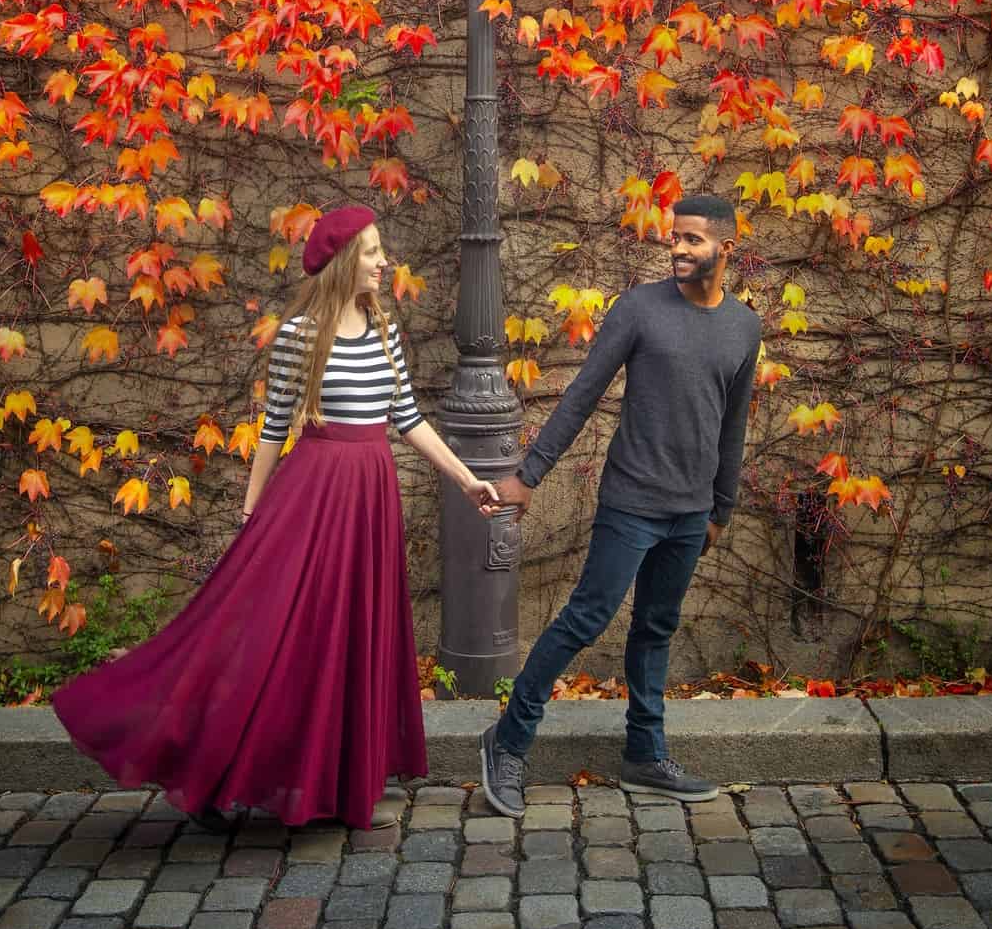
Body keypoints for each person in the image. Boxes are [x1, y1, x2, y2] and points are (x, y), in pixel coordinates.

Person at [54, 205, 497, 832]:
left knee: (347, 637)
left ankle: (343, 780)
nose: (383, 260)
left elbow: (407, 420)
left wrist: (467, 480)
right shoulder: (299, 335)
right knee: (271, 636)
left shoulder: (385, 331)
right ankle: (211, 770)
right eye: (372, 251)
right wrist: (251, 513)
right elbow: (274, 428)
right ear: (345, 260)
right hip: (311, 501)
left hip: (371, 499)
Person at [479, 194, 761, 815]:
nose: (679, 249)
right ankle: (508, 743)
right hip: (631, 500)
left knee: (657, 626)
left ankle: (644, 752)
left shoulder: (745, 326)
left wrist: (722, 508)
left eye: (692, 240)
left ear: (726, 250)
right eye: (675, 238)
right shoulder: (638, 310)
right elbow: (582, 396)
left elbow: (732, 425)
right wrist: (530, 474)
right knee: (585, 619)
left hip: (691, 514)